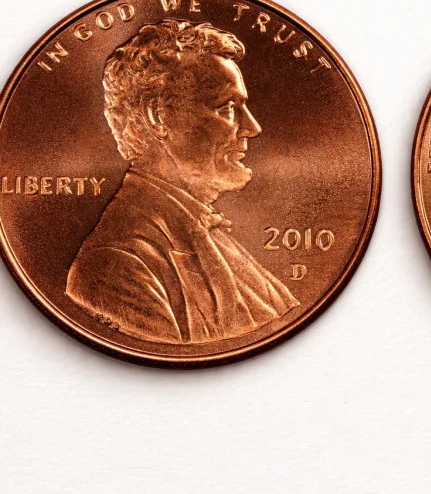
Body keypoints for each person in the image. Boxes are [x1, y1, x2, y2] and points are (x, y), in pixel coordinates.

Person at [66, 19, 299, 344]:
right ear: (158, 117)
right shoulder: (114, 265)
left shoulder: (208, 235)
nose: (252, 127)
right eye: (227, 108)